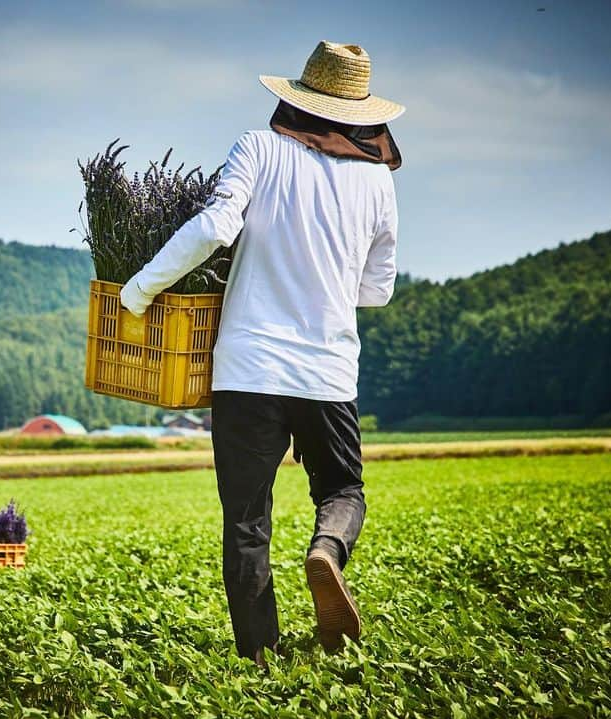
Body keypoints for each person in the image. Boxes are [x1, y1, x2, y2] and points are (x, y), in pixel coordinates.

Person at [119, 40, 403, 667]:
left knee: (247, 521)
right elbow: (377, 291)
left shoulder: (258, 147)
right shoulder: (379, 180)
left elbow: (217, 226)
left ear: (296, 98)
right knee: (343, 488)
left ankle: (260, 661)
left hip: (247, 369)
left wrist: (138, 291)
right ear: (361, 115)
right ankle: (327, 548)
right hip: (326, 371)